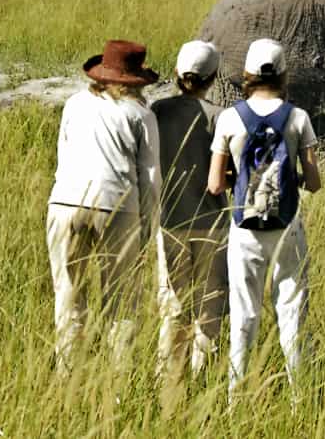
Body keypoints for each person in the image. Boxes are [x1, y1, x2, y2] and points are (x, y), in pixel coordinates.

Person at [207, 38, 322, 398]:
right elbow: (315, 182)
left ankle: (235, 399)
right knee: (291, 314)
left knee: (244, 317)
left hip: (244, 228)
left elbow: (214, 184)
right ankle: (299, 398)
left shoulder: (229, 117)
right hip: (287, 226)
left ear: (247, 74)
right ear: (284, 74)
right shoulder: (298, 117)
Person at [45, 40, 161, 374]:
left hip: (66, 201)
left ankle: (68, 375)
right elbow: (151, 177)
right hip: (117, 205)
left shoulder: (74, 103)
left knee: (68, 297)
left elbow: (62, 155)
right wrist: (148, 225)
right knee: (122, 301)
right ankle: (118, 380)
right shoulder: (141, 114)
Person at [150, 41, 229, 416]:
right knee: (209, 306)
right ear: (213, 77)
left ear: (177, 72)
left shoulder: (158, 111)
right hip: (211, 222)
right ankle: (204, 383)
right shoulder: (220, 116)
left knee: (173, 307)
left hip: (168, 223)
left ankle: (169, 388)